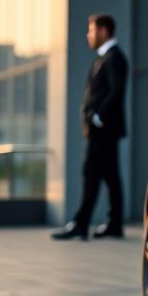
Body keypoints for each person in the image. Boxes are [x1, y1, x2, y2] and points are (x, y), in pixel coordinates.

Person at [52, 14, 128, 241]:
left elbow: (117, 91)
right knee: (109, 176)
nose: (88, 36)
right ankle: (113, 224)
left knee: (91, 173)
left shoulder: (115, 58)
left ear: (104, 32)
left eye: (92, 31)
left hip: (103, 130)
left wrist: (97, 116)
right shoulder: (103, 58)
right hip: (102, 130)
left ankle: (81, 223)